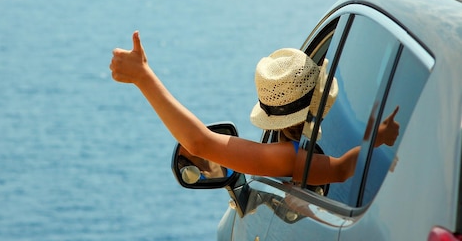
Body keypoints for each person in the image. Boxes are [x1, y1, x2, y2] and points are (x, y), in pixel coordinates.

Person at [110, 31, 399, 186]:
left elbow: (199, 142)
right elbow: (343, 167)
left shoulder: (289, 157)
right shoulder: (294, 158)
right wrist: (378, 141)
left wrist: (144, 78)